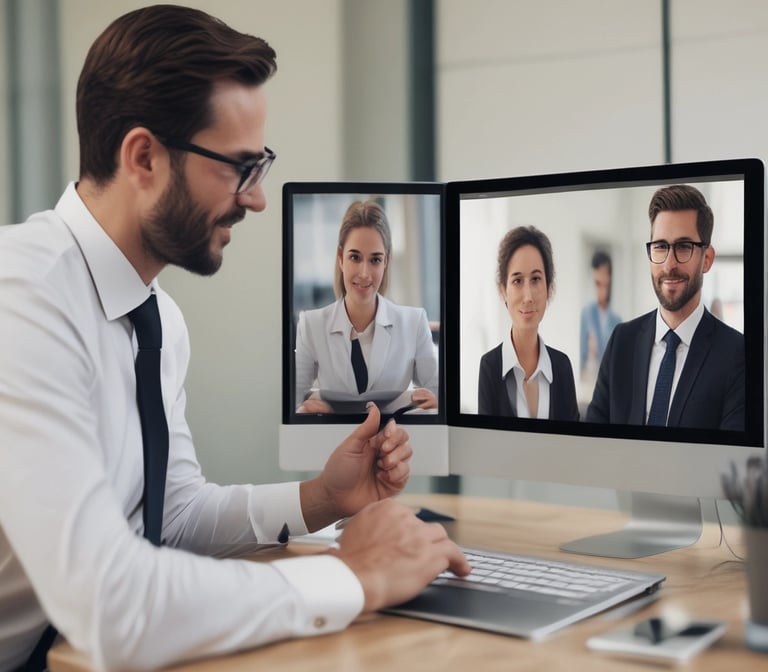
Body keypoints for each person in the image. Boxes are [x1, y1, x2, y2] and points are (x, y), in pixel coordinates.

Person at [0, 6, 469, 672]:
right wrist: (352, 578)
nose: (257, 200)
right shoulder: (23, 297)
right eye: (240, 168)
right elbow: (110, 603)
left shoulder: (156, 316)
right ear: (144, 158)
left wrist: (322, 499)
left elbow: (174, 514)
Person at [586, 184, 744, 429]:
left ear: (707, 259)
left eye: (683, 247)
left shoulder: (737, 354)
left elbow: (730, 463)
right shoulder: (621, 342)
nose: (669, 264)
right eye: (660, 246)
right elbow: (592, 443)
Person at [295, 200, 439, 414]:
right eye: (355, 257)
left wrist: (434, 402)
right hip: (332, 441)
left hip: (395, 439)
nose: (364, 273)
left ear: (386, 262)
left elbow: (436, 394)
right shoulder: (311, 324)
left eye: (375, 260)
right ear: (340, 259)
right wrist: (307, 410)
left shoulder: (414, 322)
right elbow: (295, 401)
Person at [477, 226, 579, 420]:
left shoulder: (562, 366)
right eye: (517, 281)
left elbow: (571, 445)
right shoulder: (490, 367)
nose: (528, 296)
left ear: (548, 287)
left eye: (536, 279)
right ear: (502, 290)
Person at [579, 250, 621, 377]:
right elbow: (583, 357)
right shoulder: (587, 314)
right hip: (590, 381)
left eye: (604, 284)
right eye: (597, 283)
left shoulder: (617, 320)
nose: (601, 289)